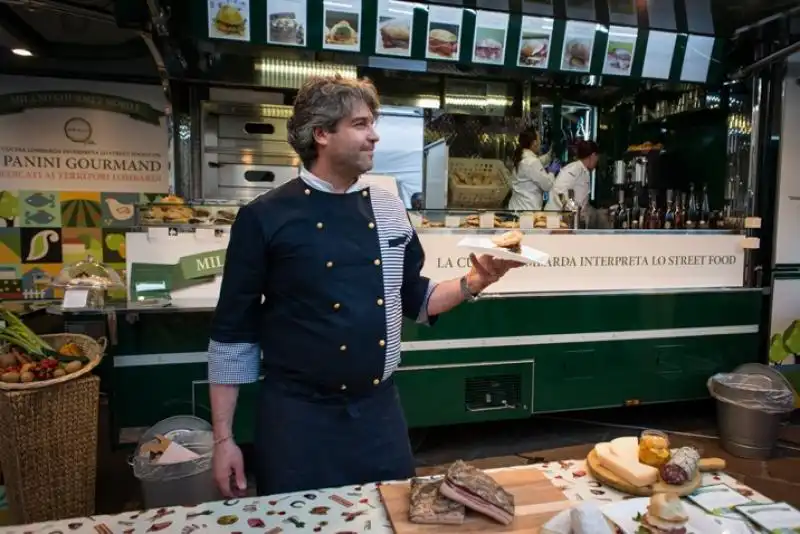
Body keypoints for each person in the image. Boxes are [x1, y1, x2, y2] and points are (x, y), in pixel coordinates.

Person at [208, 75, 521, 499]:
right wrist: (224, 440)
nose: (374, 135)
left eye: (372, 123)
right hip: (298, 421)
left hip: (378, 415)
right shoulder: (264, 217)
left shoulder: (389, 209)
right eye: (360, 124)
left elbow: (416, 297)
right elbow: (233, 334)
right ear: (321, 133)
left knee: (388, 518)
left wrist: (474, 282)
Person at [507, 128, 558, 211]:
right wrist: (552, 172)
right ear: (534, 143)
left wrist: (549, 155)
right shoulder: (532, 162)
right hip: (527, 211)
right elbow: (547, 185)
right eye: (539, 139)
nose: (540, 142)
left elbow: (536, 164)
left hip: (517, 207)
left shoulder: (521, 157)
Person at [545, 140, 600, 211]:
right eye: (597, 157)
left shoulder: (584, 172)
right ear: (593, 155)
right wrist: (573, 210)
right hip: (556, 217)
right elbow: (559, 191)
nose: (597, 161)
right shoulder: (575, 168)